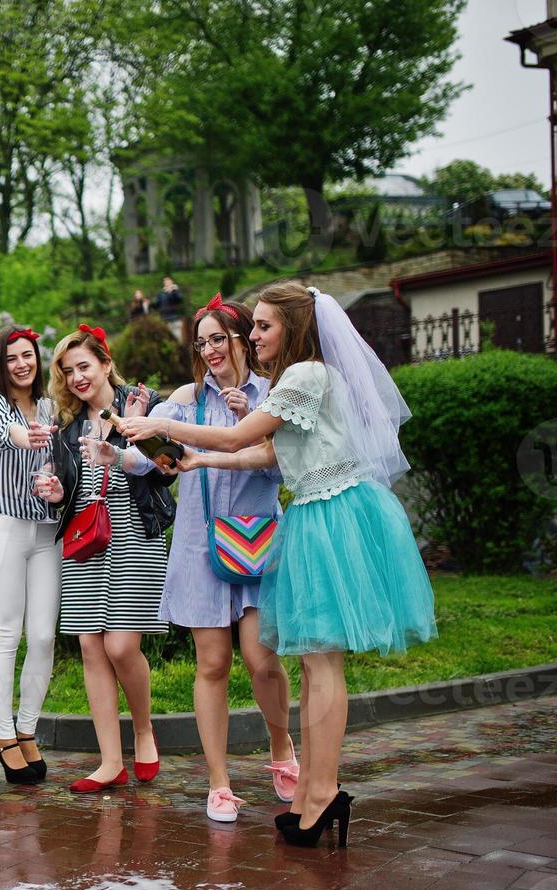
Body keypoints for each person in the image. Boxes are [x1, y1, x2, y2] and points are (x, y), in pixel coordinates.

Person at [115, 281, 436, 847]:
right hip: (319, 513)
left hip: (331, 514)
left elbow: (245, 433)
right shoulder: (304, 378)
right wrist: (200, 461)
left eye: (262, 325)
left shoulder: (306, 374)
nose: (253, 334)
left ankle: (322, 791)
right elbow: (266, 452)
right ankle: (314, 786)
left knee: (322, 665)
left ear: (294, 326)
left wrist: (164, 426)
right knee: (314, 665)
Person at [145, 297, 296, 823]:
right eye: (201, 342)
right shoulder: (185, 402)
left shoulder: (273, 395)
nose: (210, 350)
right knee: (212, 663)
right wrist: (134, 441)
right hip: (199, 546)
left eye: (219, 338)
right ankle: (219, 783)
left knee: (261, 659)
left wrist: (245, 420)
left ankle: (282, 748)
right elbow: (150, 458)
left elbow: (285, 471)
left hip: (256, 542)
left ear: (241, 340)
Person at [48, 325, 176, 794]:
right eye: (69, 371)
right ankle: (109, 761)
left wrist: (125, 440)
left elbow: (168, 467)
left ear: (105, 362)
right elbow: (63, 489)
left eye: (85, 366)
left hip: (133, 533)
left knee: (121, 646)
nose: (78, 377)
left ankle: (143, 729)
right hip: (84, 537)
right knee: (90, 647)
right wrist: (56, 492)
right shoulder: (66, 427)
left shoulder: (144, 403)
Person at [0, 326, 61, 784]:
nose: (21, 364)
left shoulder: (50, 406)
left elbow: (59, 459)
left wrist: (57, 481)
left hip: (46, 532)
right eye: (11, 358)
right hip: (6, 529)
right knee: (7, 633)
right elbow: (9, 435)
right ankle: (3, 734)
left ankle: (27, 728)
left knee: (44, 636)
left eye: (27, 355)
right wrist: (28, 435)